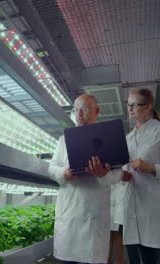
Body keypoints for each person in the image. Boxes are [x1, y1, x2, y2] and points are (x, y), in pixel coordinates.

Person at [86, 88, 160, 264]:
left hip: (157, 213)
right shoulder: (127, 139)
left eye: (135, 105)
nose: (130, 108)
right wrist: (105, 173)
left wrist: (152, 168)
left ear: (148, 107)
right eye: (129, 104)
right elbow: (122, 175)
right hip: (131, 212)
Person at [48, 94, 131, 264]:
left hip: (94, 217)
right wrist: (64, 173)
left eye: (84, 109)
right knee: (67, 260)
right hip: (69, 214)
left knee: (91, 259)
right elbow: (51, 167)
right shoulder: (64, 140)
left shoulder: (109, 139)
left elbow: (118, 174)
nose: (79, 114)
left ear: (96, 111)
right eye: (76, 110)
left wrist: (103, 175)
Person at [107, 182, 126, 264]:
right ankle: (108, 259)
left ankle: (119, 260)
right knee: (109, 234)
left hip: (119, 203)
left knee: (117, 233)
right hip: (109, 202)